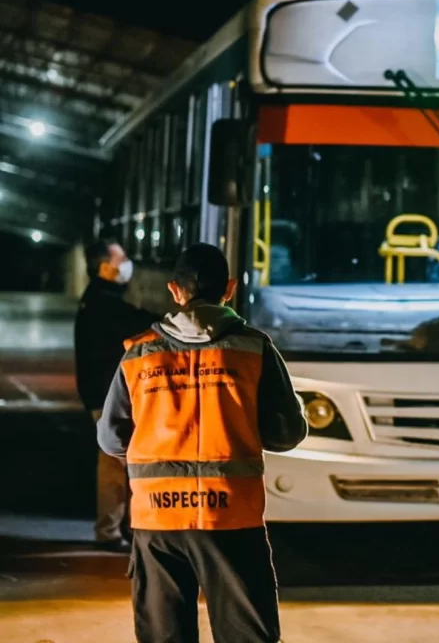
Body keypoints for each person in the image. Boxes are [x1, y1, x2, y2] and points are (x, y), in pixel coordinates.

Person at [97, 243, 308, 643]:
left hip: (157, 522)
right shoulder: (254, 348)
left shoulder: (139, 354)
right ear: (229, 289)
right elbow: (286, 434)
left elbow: (111, 439)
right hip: (232, 517)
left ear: (175, 291)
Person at [74, 239, 158, 553]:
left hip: (102, 393)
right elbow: (137, 322)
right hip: (108, 395)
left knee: (117, 460)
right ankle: (109, 531)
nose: (127, 264)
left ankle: (117, 526)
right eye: (121, 258)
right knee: (113, 463)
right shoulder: (103, 302)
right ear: (107, 266)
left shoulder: (97, 298)